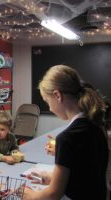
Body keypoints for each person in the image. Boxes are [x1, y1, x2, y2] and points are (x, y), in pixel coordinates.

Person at [22, 65, 110, 200]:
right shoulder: (97, 124)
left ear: (57, 95)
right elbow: (84, 174)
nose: (50, 108)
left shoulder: (67, 138)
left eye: (47, 102)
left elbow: (53, 195)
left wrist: (31, 195)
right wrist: (52, 178)